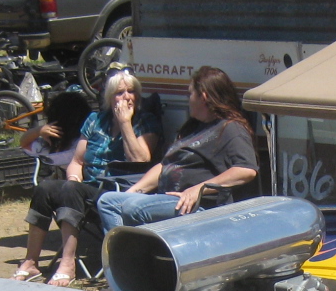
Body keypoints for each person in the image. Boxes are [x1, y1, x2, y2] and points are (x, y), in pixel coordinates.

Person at [13, 71, 163, 285]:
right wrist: (74, 176)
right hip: (90, 188)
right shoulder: (95, 120)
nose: (127, 97)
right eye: (120, 93)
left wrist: (125, 124)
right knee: (45, 188)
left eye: (132, 92)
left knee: (72, 191)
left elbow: (141, 158)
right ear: (109, 98)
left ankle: (68, 264)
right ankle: (31, 262)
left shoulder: (146, 122)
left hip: (120, 193)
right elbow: (78, 161)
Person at [96, 66, 258, 232]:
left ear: (203, 97)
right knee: (108, 201)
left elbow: (246, 170)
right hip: (167, 198)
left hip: (197, 204)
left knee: (133, 208)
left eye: (190, 94)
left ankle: (137, 255)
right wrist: (135, 190)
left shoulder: (230, 128)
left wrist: (199, 189)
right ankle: (121, 256)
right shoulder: (193, 128)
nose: (188, 99)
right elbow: (166, 165)